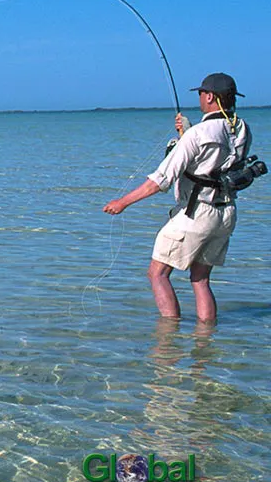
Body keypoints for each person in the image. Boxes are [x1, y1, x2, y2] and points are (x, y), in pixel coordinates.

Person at [103, 73, 252, 322]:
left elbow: (160, 180)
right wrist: (188, 133)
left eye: (201, 94)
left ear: (210, 96)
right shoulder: (242, 129)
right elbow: (214, 161)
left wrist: (122, 203)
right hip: (226, 213)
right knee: (201, 279)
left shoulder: (197, 135)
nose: (200, 99)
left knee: (157, 274)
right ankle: (205, 340)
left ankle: (168, 339)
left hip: (196, 214)